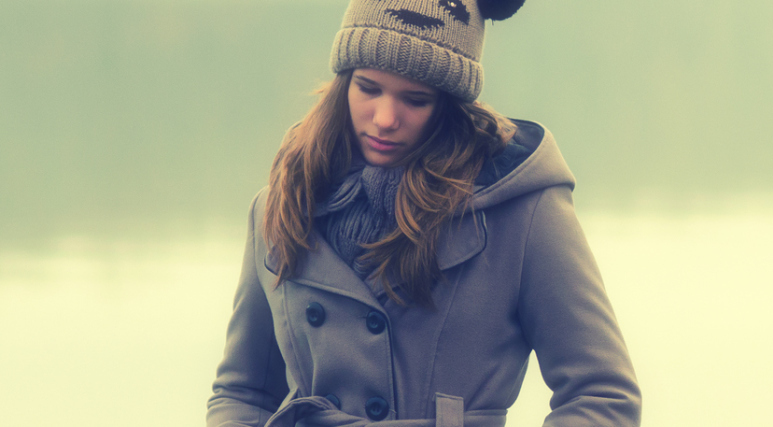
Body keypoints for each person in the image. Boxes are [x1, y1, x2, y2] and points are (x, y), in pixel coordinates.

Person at [206, 1, 642, 426]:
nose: (384, 118)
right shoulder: (282, 204)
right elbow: (243, 394)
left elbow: (602, 394)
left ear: (449, 107)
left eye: (415, 99)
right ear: (344, 81)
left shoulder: (522, 211)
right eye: (368, 87)